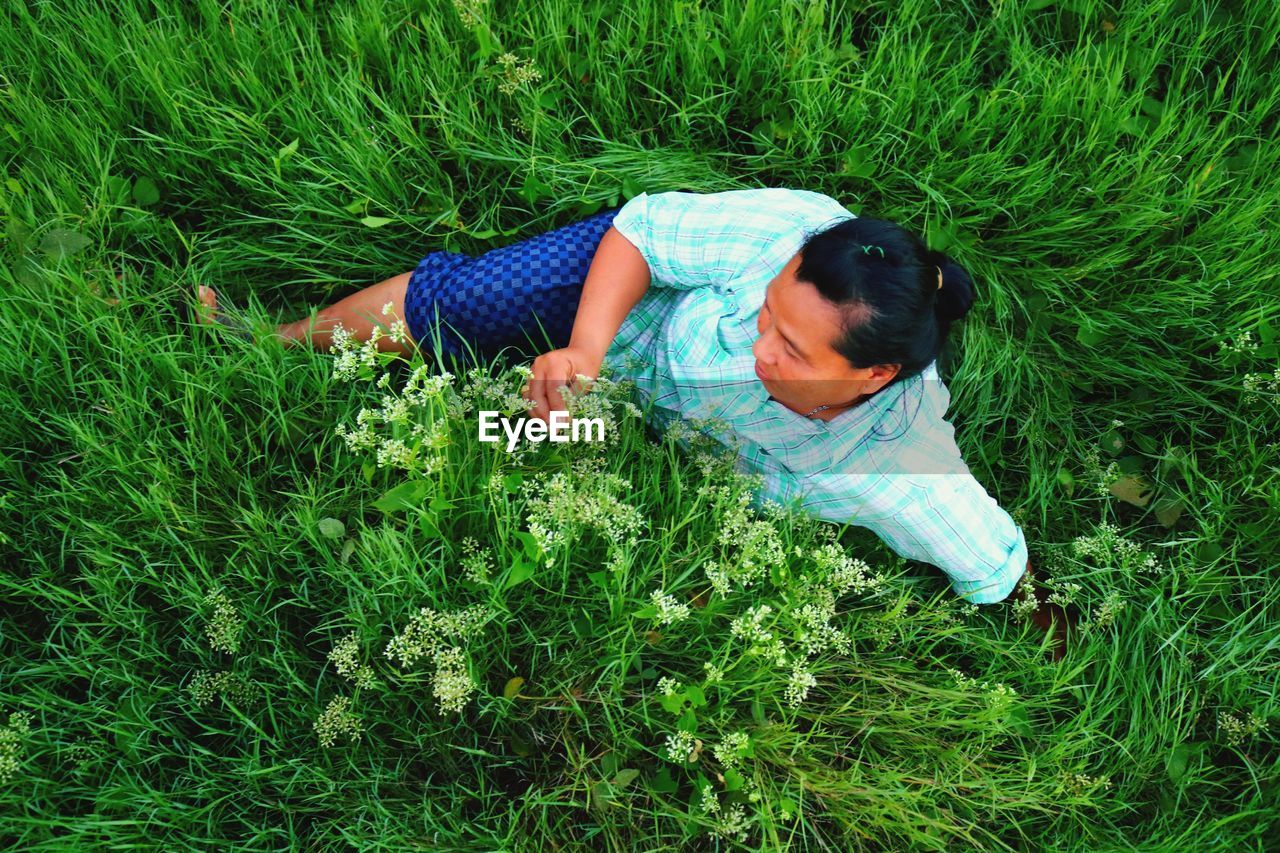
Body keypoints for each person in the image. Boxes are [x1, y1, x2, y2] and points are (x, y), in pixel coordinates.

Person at [193, 187, 1069, 654]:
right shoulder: (793, 233)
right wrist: (582, 350)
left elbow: (991, 554)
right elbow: (642, 232)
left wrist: (1046, 624)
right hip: (622, 305)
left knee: (490, 446)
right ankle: (269, 340)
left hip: (652, 434)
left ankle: (389, 455)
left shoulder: (901, 464)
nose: (763, 348)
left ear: (873, 375)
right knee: (467, 302)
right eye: (767, 314)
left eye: (795, 352)